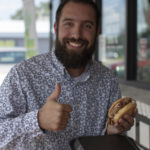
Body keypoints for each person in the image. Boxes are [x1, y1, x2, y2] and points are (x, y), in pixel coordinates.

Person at [0, 0, 137, 149]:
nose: (76, 34)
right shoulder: (22, 75)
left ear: (97, 31)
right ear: (56, 27)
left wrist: (112, 133)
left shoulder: (108, 80)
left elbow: (107, 142)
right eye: (69, 24)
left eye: (87, 26)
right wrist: (38, 120)